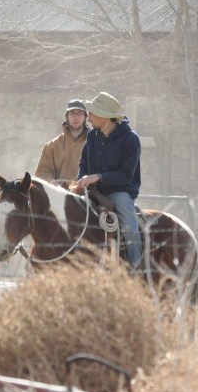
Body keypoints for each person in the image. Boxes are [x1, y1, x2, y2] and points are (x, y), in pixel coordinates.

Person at [72, 92, 142, 268]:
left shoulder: (130, 139)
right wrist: (81, 180)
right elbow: (84, 163)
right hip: (92, 191)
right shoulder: (92, 136)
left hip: (119, 192)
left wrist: (98, 177)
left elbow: (126, 175)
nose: (89, 117)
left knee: (130, 227)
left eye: (93, 113)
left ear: (105, 116)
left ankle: (137, 267)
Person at [35, 99, 89, 187]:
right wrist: (51, 182)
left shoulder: (94, 142)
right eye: (72, 113)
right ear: (67, 116)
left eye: (80, 113)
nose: (76, 117)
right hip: (60, 191)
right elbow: (42, 173)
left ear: (85, 117)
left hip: (87, 191)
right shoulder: (52, 145)